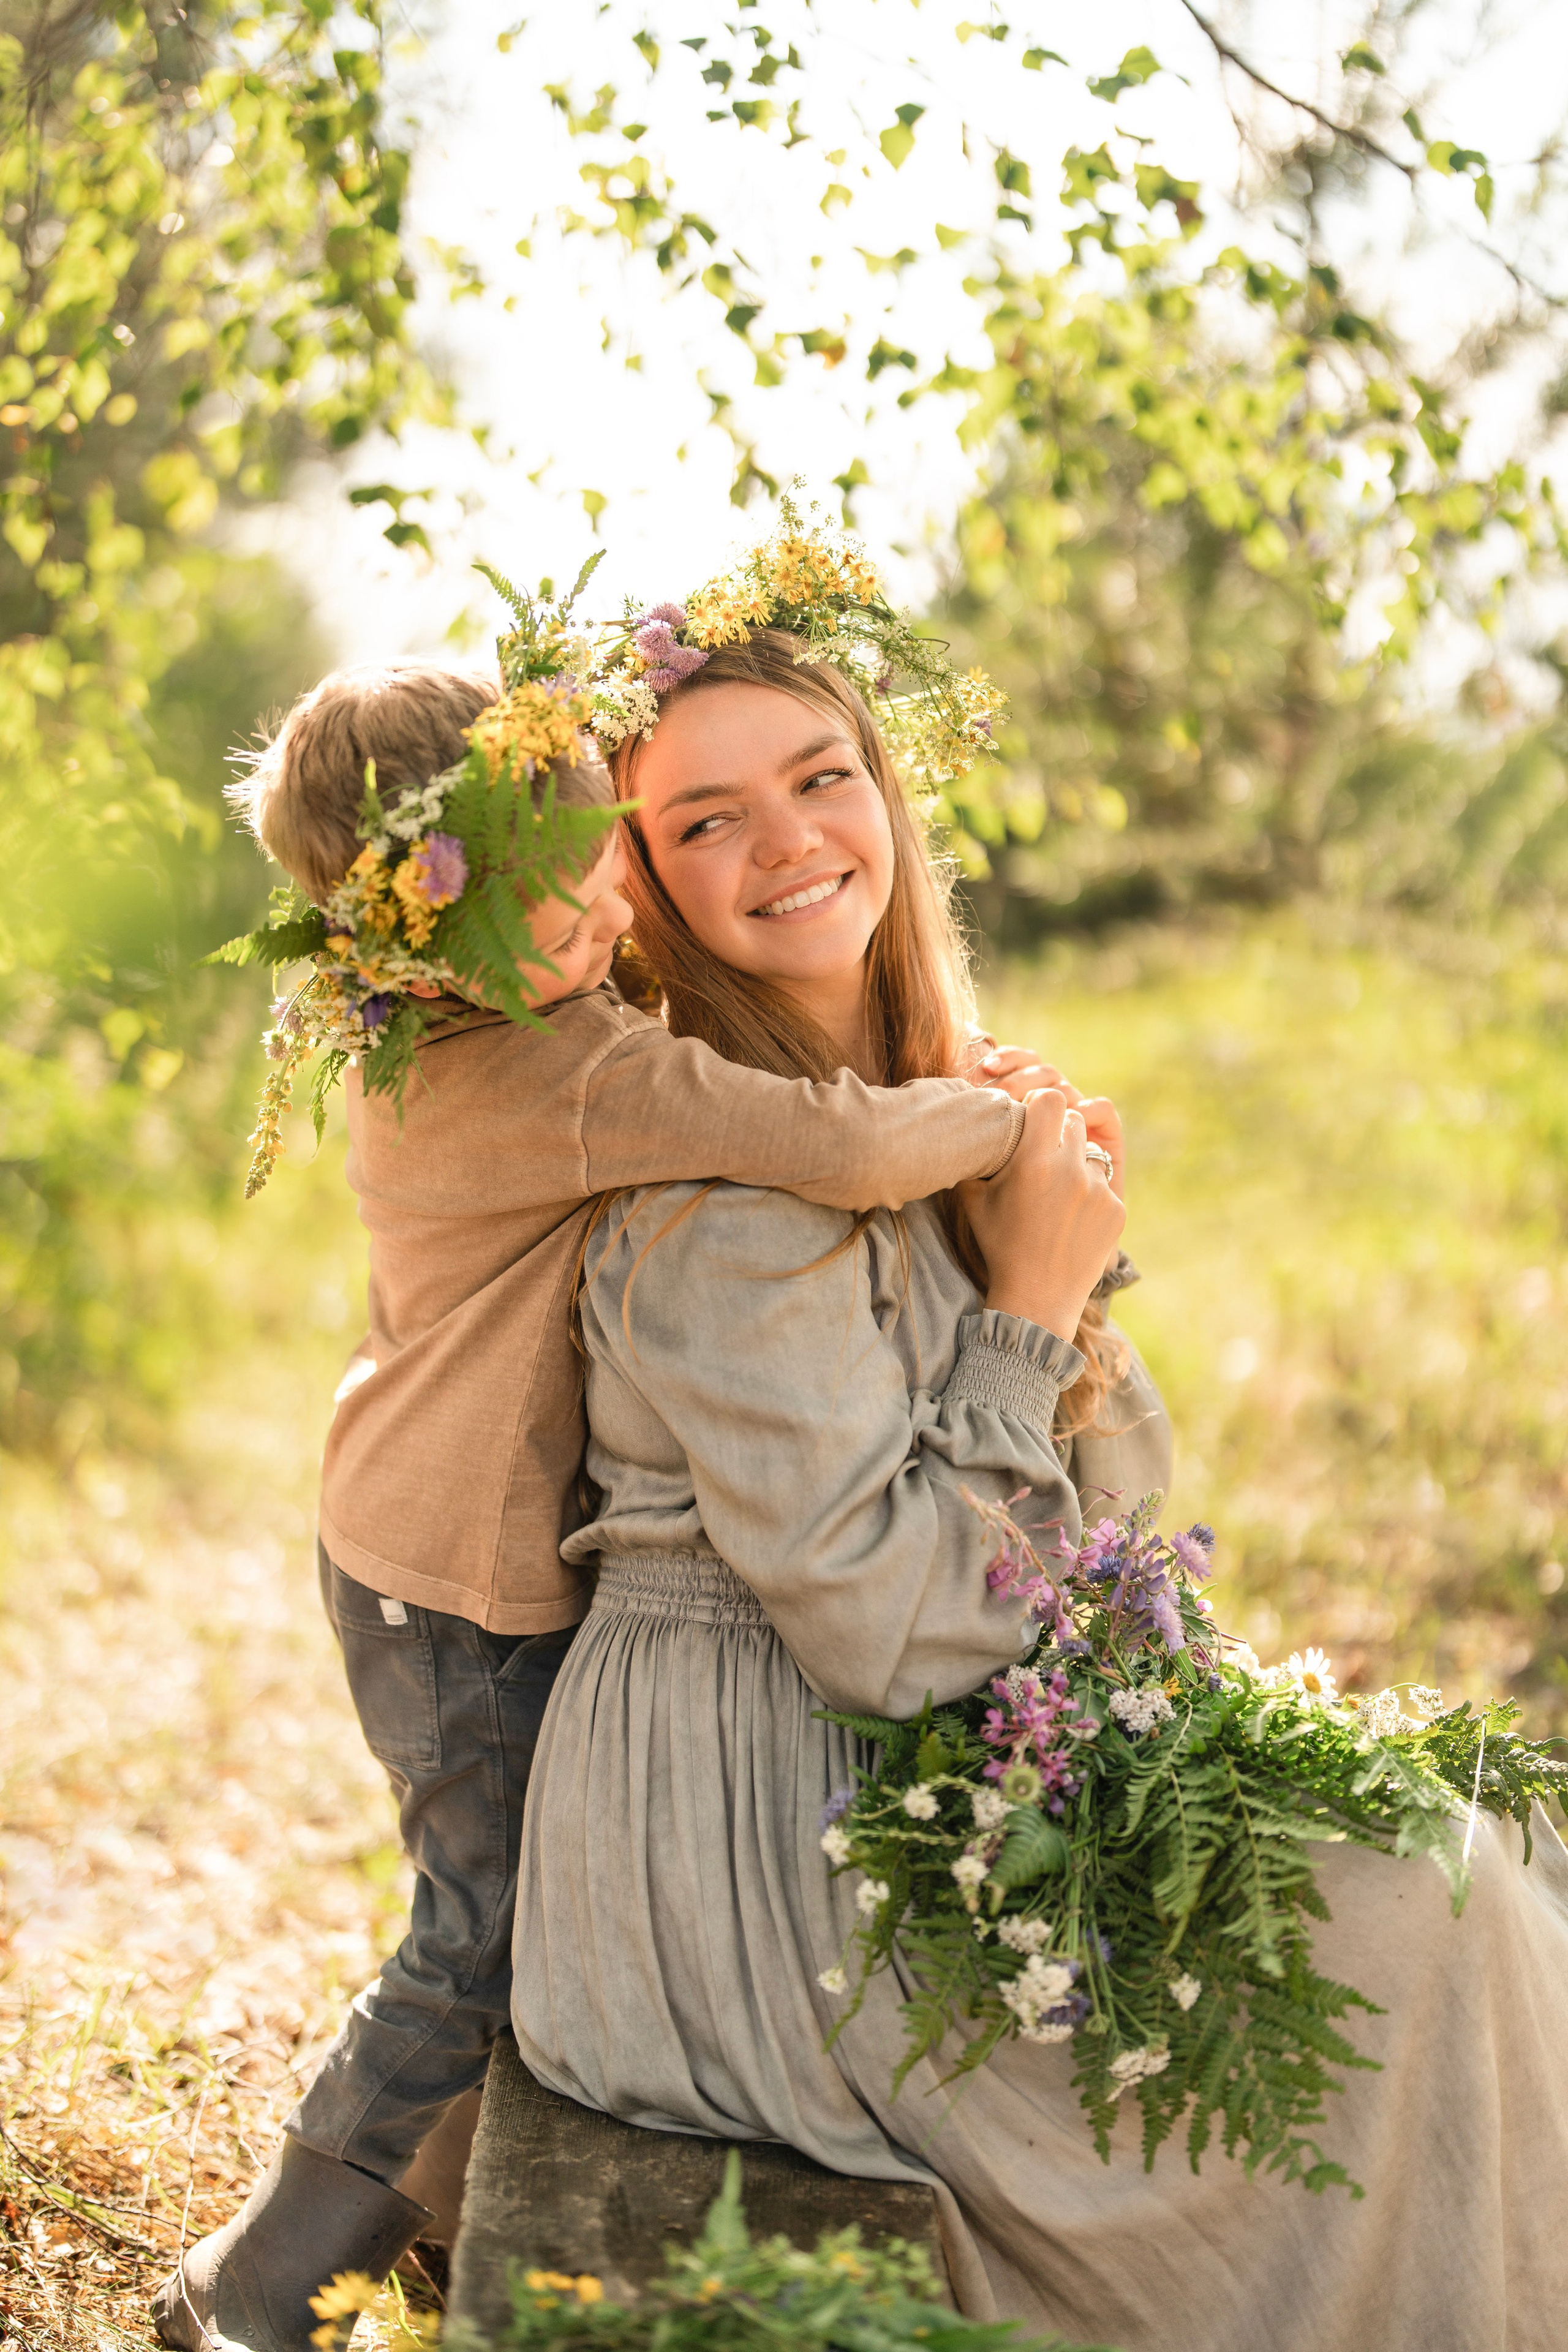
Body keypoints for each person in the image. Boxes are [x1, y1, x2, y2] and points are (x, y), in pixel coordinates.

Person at [511, 630, 1568, 2352]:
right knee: (1422, 1911)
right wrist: (1024, 1307)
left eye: (821, 777)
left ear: (891, 799)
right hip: (752, 1850)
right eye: (704, 823)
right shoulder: (723, 1201)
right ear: (636, 887)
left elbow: (1117, 1530)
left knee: (1504, 1844)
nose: (786, 841)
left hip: (943, 1755)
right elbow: (904, 1638)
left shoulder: (938, 1114)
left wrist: (1060, 1278)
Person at [153, 657, 1059, 2352]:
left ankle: (430, 2208)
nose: (600, 925)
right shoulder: (563, 1073)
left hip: (412, 1538)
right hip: (465, 1575)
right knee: (477, 1936)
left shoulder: (453, 1024)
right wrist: (996, 1126)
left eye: (603, 873)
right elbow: (838, 1150)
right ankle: (261, 2273)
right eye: (551, 912)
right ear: (415, 934)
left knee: (508, 1897)